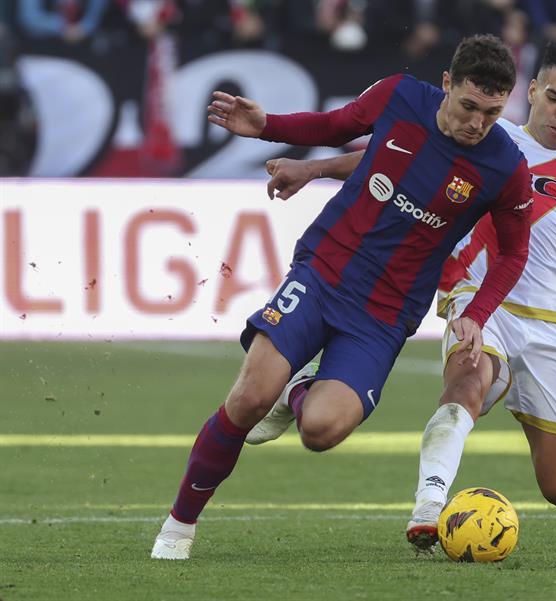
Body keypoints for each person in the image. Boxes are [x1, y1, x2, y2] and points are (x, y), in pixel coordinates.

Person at [261, 40, 556, 553]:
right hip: (482, 303)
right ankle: (429, 508)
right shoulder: (490, 138)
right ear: (532, 91)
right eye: (555, 97)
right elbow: (388, 159)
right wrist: (312, 169)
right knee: (466, 385)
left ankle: (516, 399)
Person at [150, 33, 534, 560]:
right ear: (447, 83)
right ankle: (178, 527)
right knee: (248, 398)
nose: (477, 123)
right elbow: (335, 127)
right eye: (469, 106)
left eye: (491, 113)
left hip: (385, 314)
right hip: (325, 272)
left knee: (321, 430)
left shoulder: (505, 167)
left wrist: (477, 314)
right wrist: (267, 127)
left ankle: (297, 392)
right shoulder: (400, 95)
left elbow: (514, 253)